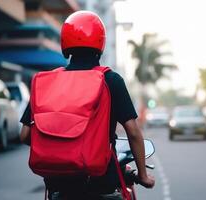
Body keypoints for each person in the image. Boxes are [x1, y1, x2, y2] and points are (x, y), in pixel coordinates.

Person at [20, 11, 155, 200]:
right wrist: (143, 175)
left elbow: (25, 135)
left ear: (65, 43)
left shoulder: (46, 82)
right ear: (101, 43)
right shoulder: (111, 80)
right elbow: (133, 132)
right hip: (100, 184)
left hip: (59, 187)